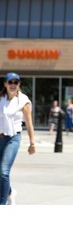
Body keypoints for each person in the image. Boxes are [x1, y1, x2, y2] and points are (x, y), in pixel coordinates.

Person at [0, 72, 36, 205]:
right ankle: (9, 192)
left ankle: (2, 203)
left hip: (13, 139)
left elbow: (29, 123)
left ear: (19, 85)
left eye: (16, 82)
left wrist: (32, 143)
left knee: (3, 171)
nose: (13, 85)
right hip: (0, 137)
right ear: (5, 84)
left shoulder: (23, 101)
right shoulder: (1, 99)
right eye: (10, 82)